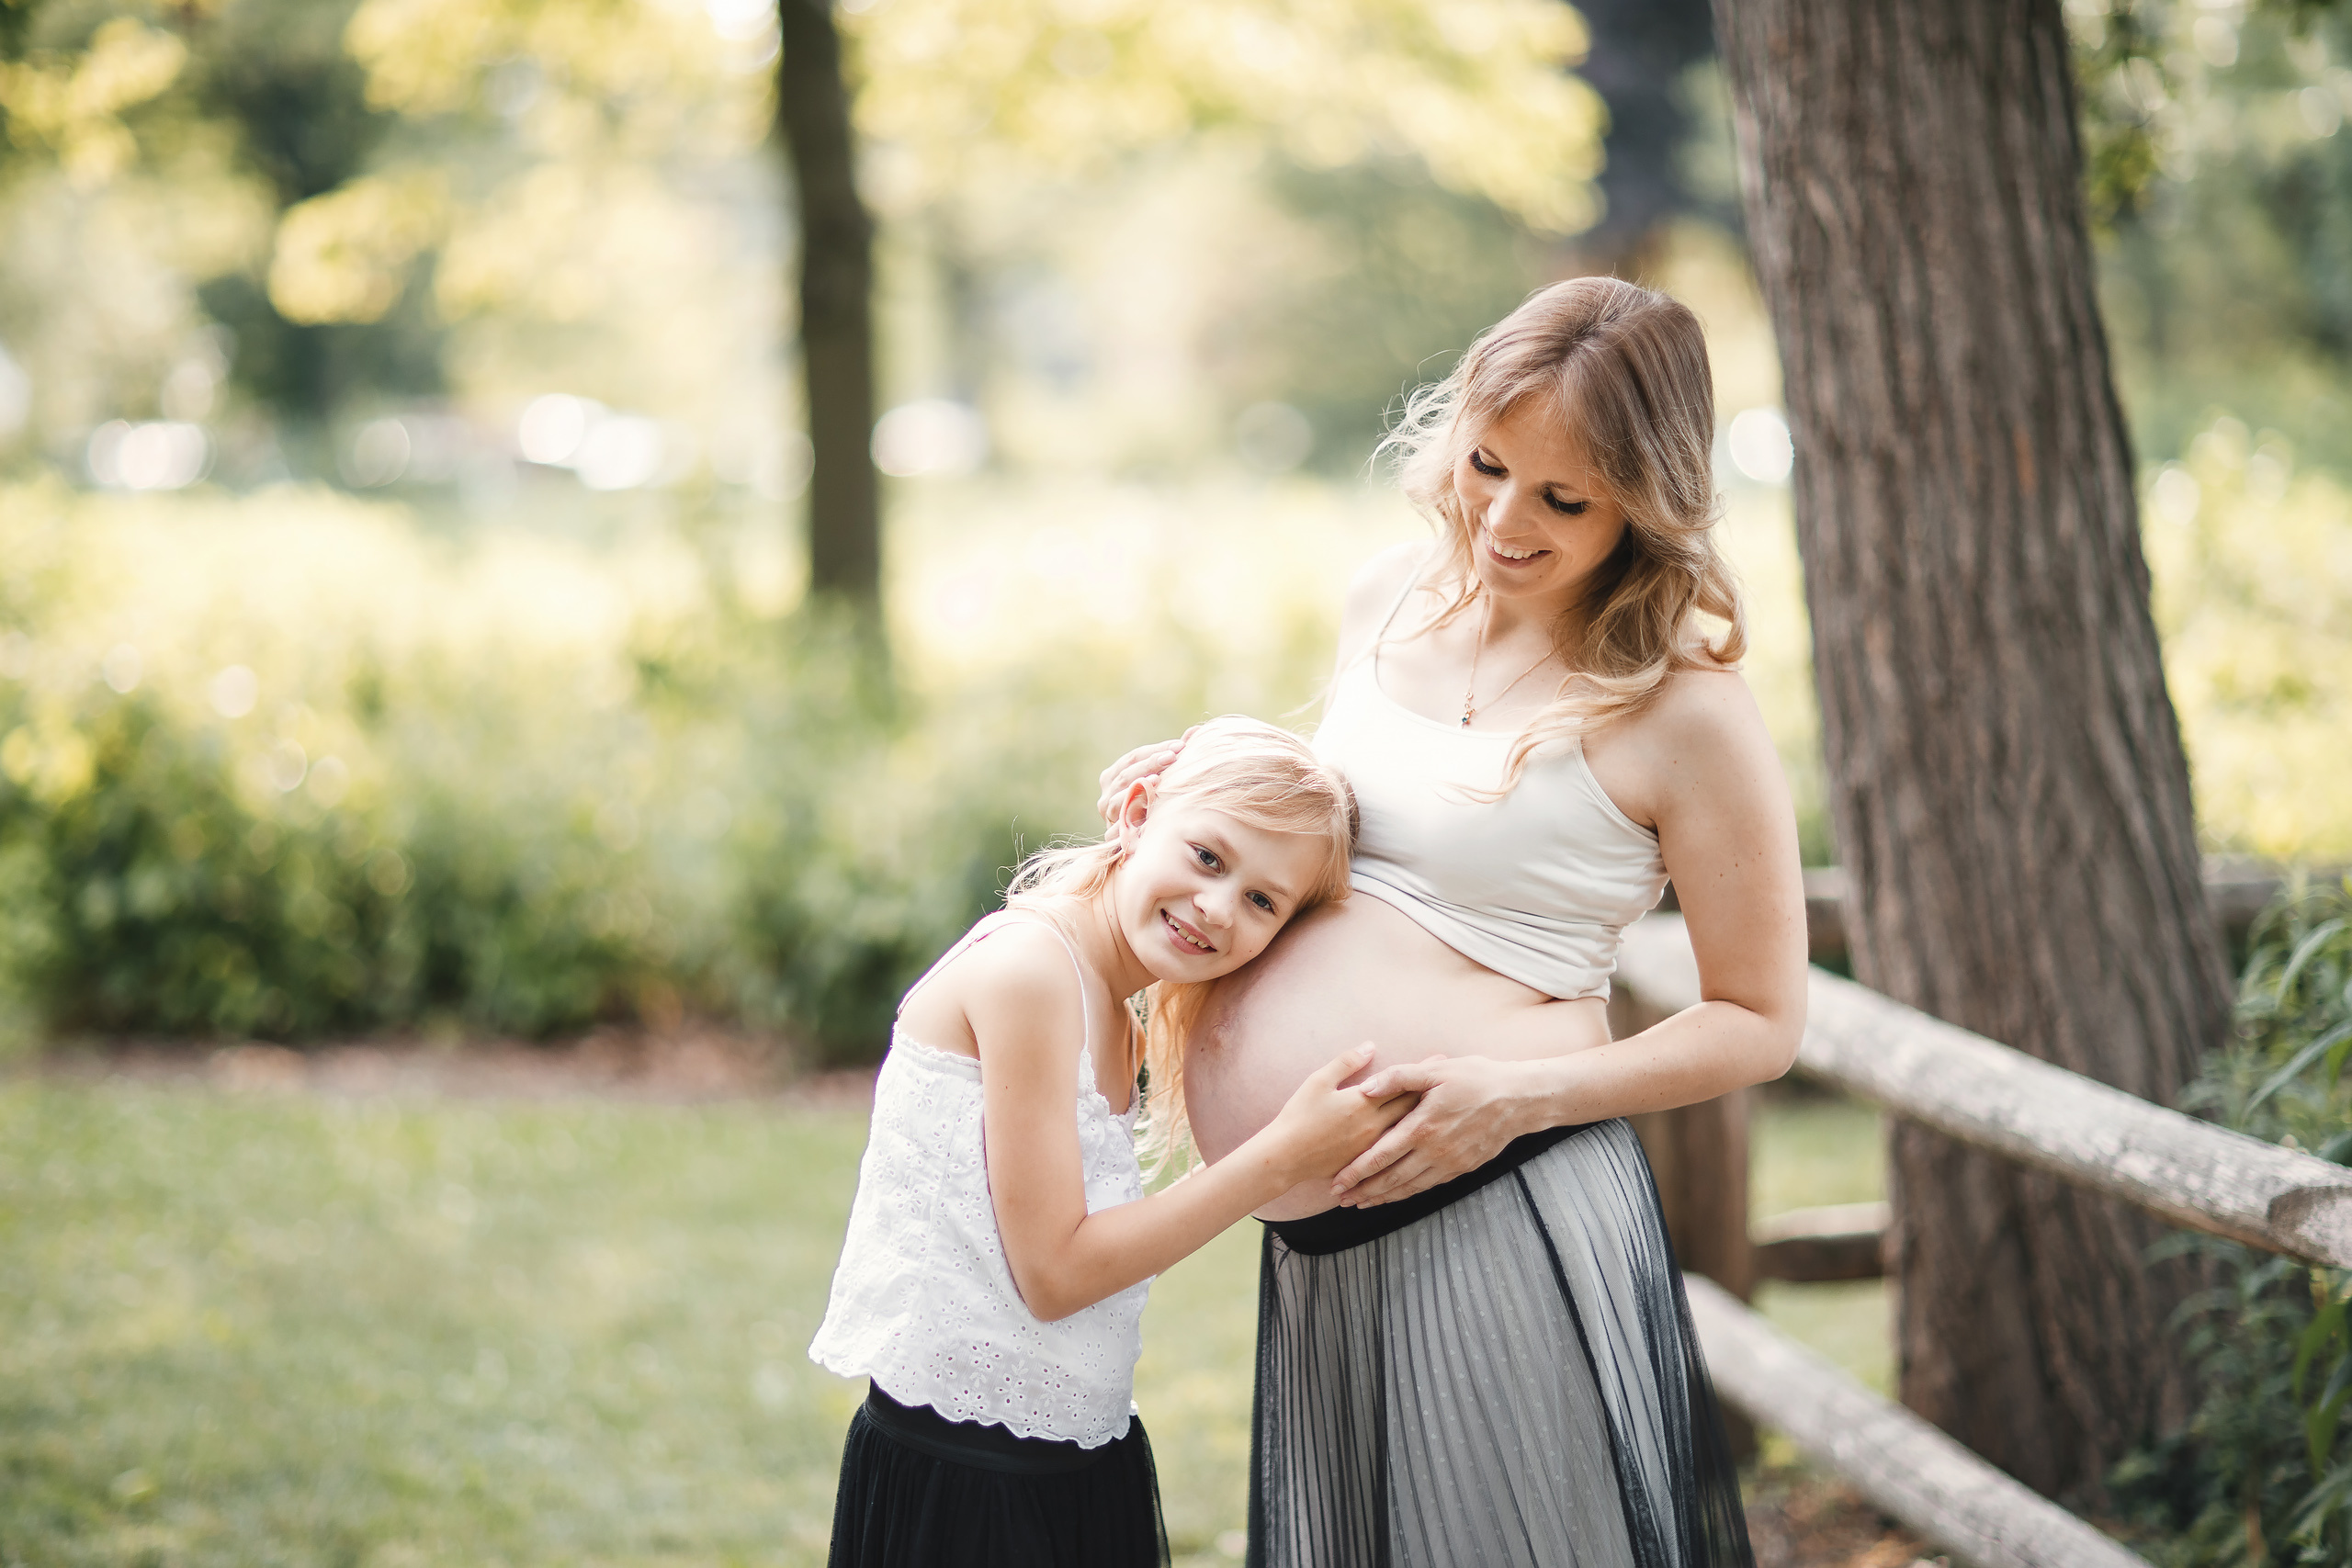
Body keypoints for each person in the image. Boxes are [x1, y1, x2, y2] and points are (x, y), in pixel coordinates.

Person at [1094, 277, 1807, 1568]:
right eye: (1487, 464)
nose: (1503, 518)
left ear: (1645, 503)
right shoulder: (1387, 598)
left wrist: (1518, 1094)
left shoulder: (1683, 708)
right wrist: (1201, 789)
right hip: (1327, 1237)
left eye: (1564, 498)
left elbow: (1760, 1020)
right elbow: (1323, 858)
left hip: (1505, 1197)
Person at [810, 715, 1414, 1568]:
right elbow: (1056, 1273)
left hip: (1077, 1457)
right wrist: (1281, 1155)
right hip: (969, 1481)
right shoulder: (1032, 972)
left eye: (1262, 901)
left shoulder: (1115, 1012)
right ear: (1136, 810)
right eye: (1207, 856)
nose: (1215, 906)